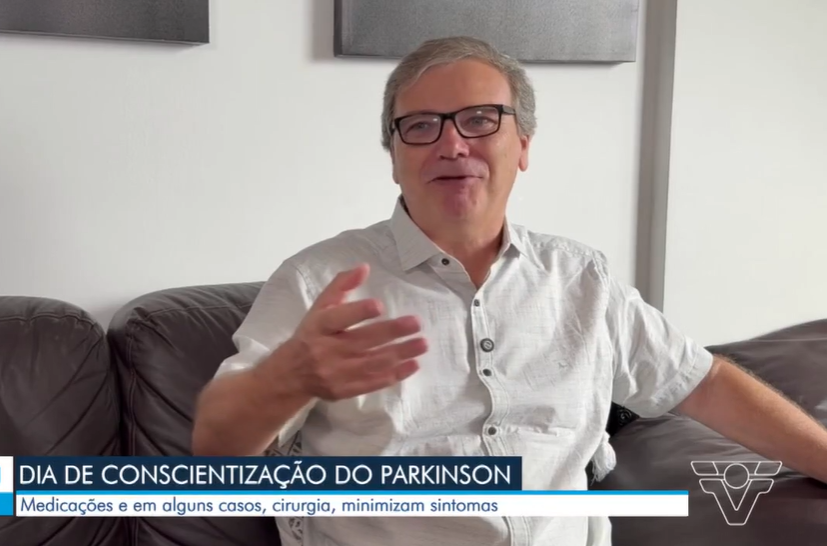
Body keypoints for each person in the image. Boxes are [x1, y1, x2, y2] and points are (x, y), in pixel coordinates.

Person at [192, 36, 827, 546]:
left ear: (522, 145)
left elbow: (702, 382)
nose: (452, 144)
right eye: (421, 126)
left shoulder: (581, 279)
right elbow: (216, 456)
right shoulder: (318, 281)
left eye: (480, 120)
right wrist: (286, 381)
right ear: (394, 157)